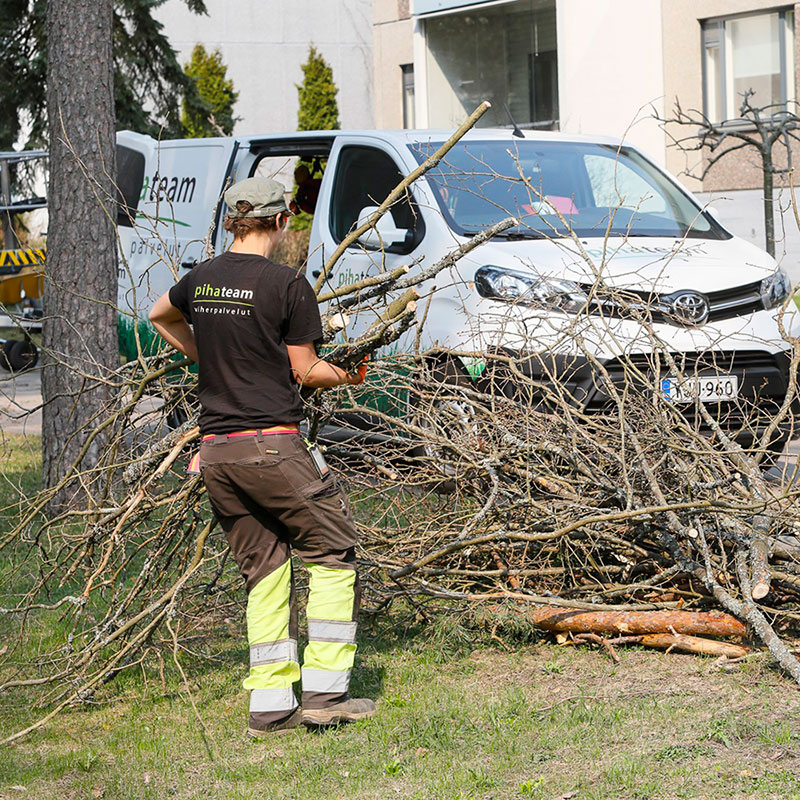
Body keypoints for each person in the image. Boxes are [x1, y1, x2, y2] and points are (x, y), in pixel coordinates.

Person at [149, 176, 376, 738]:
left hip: (217, 455)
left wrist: (210, 358)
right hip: (271, 445)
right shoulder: (286, 285)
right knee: (332, 548)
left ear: (234, 222)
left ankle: (272, 705)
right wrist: (350, 372)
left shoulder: (201, 279)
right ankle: (326, 693)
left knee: (266, 567)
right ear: (282, 220)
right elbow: (307, 371)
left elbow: (159, 314)